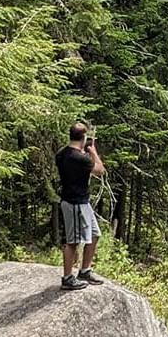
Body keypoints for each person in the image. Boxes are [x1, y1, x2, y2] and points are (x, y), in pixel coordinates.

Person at [55, 121, 106, 290]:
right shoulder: (81, 158)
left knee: (94, 234)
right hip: (75, 202)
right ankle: (68, 277)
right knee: (73, 241)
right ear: (84, 138)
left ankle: (85, 270)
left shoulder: (62, 154)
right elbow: (100, 170)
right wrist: (93, 151)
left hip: (81, 202)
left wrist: (85, 151)